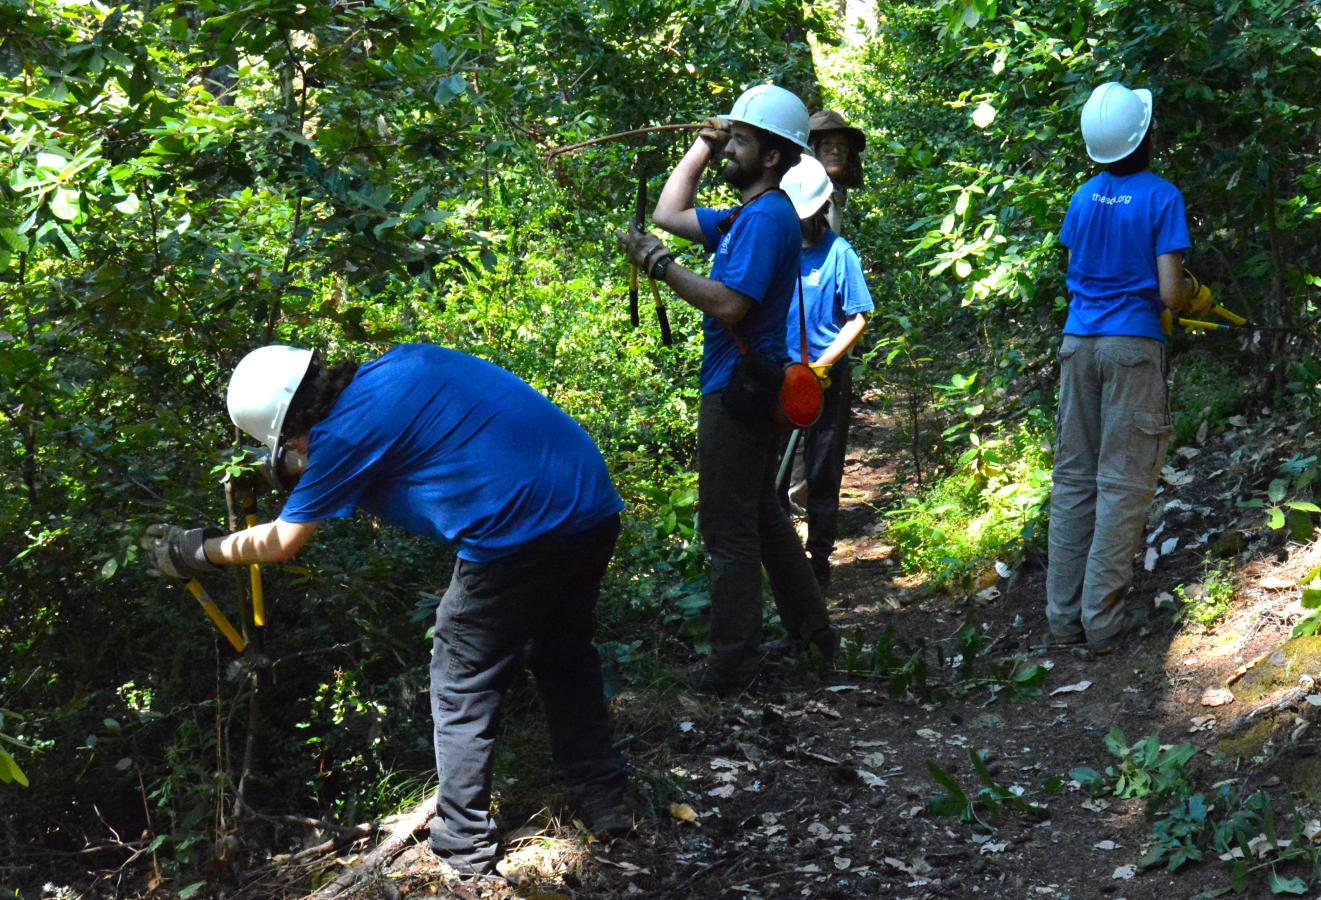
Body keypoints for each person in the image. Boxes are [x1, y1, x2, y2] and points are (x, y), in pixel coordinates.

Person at [142, 343, 630, 881]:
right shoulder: (401, 363)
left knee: (461, 675)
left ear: (291, 431)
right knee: (564, 651)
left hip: (517, 533)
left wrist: (196, 552)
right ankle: (605, 800)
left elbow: (283, 541)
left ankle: (464, 846)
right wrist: (295, 468)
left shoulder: (341, 439)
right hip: (589, 501)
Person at [615, 84, 836, 695]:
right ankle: (815, 637)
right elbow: (668, 214)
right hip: (748, 387)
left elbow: (733, 305)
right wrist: (702, 146)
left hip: (736, 392)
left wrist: (660, 265)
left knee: (729, 532)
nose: (729, 149)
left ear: (771, 157)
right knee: (763, 520)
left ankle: (731, 666)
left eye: (740, 140)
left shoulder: (766, 220)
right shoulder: (745, 217)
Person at [1046, 81, 1207, 652]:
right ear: (1146, 135)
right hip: (1132, 347)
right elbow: (1168, 293)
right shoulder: (1162, 196)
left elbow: (1080, 270)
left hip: (1077, 345)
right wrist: (1190, 292)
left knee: (1073, 483)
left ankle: (1063, 621)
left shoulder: (1083, 197)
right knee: (1121, 484)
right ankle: (1103, 625)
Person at [774, 155, 874, 592]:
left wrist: (823, 365)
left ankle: (818, 561)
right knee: (777, 471)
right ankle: (783, 558)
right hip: (779, 379)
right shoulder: (776, 249)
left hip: (825, 382)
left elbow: (857, 318)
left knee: (821, 472)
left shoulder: (839, 254)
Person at [807, 109, 865, 235]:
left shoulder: (835, 193)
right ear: (810, 149)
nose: (835, 151)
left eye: (842, 145)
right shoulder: (796, 193)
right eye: (826, 144)